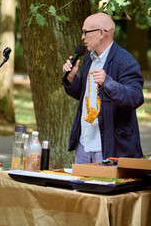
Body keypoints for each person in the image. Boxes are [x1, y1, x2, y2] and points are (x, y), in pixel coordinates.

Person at [62, 13, 144, 164]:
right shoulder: (88, 59)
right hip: (84, 142)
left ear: (101, 33)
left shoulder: (125, 61)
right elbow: (84, 94)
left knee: (103, 186)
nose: (82, 37)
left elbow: (136, 97)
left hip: (110, 145)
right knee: (80, 187)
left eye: (86, 32)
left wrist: (108, 83)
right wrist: (71, 79)